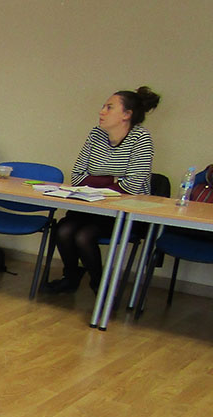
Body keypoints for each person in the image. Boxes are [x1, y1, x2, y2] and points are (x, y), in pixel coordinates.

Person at [45, 87, 160, 294]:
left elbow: (133, 186)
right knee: (63, 230)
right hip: (91, 205)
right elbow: (78, 176)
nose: (101, 112)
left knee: (83, 236)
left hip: (125, 211)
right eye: (103, 107)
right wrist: (113, 180)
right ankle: (71, 277)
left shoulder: (140, 138)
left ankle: (100, 286)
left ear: (127, 114)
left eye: (109, 107)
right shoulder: (96, 134)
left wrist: (95, 183)